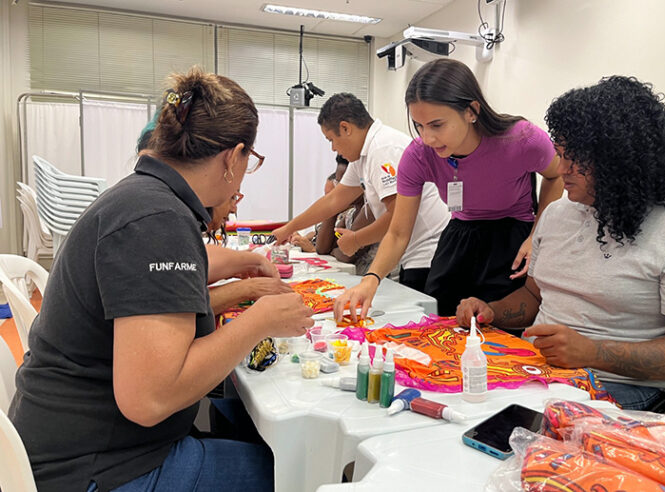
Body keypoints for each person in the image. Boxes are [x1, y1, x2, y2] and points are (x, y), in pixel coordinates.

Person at [9, 67, 314, 492]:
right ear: (232, 157)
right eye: (251, 161)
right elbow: (150, 400)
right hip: (100, 468)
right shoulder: (156, 219)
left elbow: (171, 275)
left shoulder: (144, 200)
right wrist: (260, 319)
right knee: (297, 470)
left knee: (240, 418)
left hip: (73, 447)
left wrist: (243, 268)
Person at [456, 76, 665, 410]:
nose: (561, 170)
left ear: (620, 159)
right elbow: (535, 296)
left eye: (575, 159)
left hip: (632, 389)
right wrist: (492, 311)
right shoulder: (558, 214)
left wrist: (593, 352)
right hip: (544, 371)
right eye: (560, 154)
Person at [335, 59, 563, 319]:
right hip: (460, 234)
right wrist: (370, 280)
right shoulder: (419, 155)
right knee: (440, 317)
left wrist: (537, 234)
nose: (428, 138)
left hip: (512, 235)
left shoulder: (521, 139)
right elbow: (398, 233)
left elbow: (556, 176)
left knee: (496, 324)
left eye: (437, 125)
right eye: (419, 126)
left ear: (471, 110)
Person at [272, 93, 450, 292]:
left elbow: (396, 215)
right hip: (412, 254)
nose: (333, 148)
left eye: (331, 139)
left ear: (345, 128)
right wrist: (289, 228)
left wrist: (357, 240)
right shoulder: (362, 157)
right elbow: (334, 200)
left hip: (428, 254)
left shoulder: (383, 148)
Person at [138, 128, 292, 316]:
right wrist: (249, 290)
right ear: (230, 159)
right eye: (233, 195)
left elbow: (197, 259)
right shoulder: (165, 213)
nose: (233, 207)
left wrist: (253, 262)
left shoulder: (153, 199)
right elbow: (177, 307)